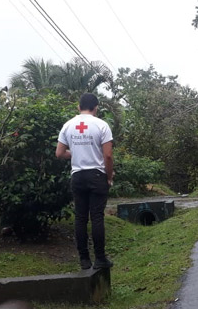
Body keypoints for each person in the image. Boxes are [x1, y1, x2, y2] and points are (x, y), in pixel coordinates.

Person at [56, 93, 114, 270]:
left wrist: (76, 153)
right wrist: (109, 177)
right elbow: (108, 156)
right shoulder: (102, 125)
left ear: (78, 107)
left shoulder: (68, 125)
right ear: (96, 107)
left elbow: (59, 153)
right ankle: (100, 258)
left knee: (80, 218)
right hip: (96, 175)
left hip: (78, 176)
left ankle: (84, 259)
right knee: (96, 217)